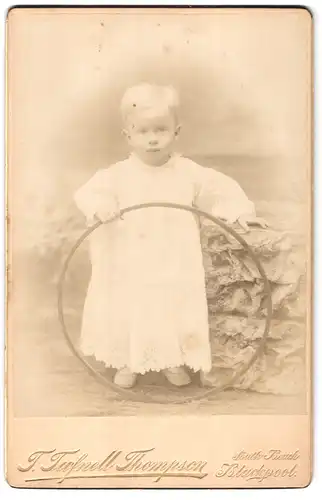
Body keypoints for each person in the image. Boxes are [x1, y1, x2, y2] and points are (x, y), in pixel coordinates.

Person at [74, 83, 267, 389]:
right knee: (130, 305)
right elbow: (90, 193)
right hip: (130, 259)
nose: (152, 138)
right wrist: (103, 208)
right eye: (143, 131)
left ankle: (172, 360)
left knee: (172, 304)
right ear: (128, 135)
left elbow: (219, 189)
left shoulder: (187, 172)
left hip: (172, 256)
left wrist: (240, 212)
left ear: (176, 132)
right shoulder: (118, 174)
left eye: (161, 130)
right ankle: (128, 360)